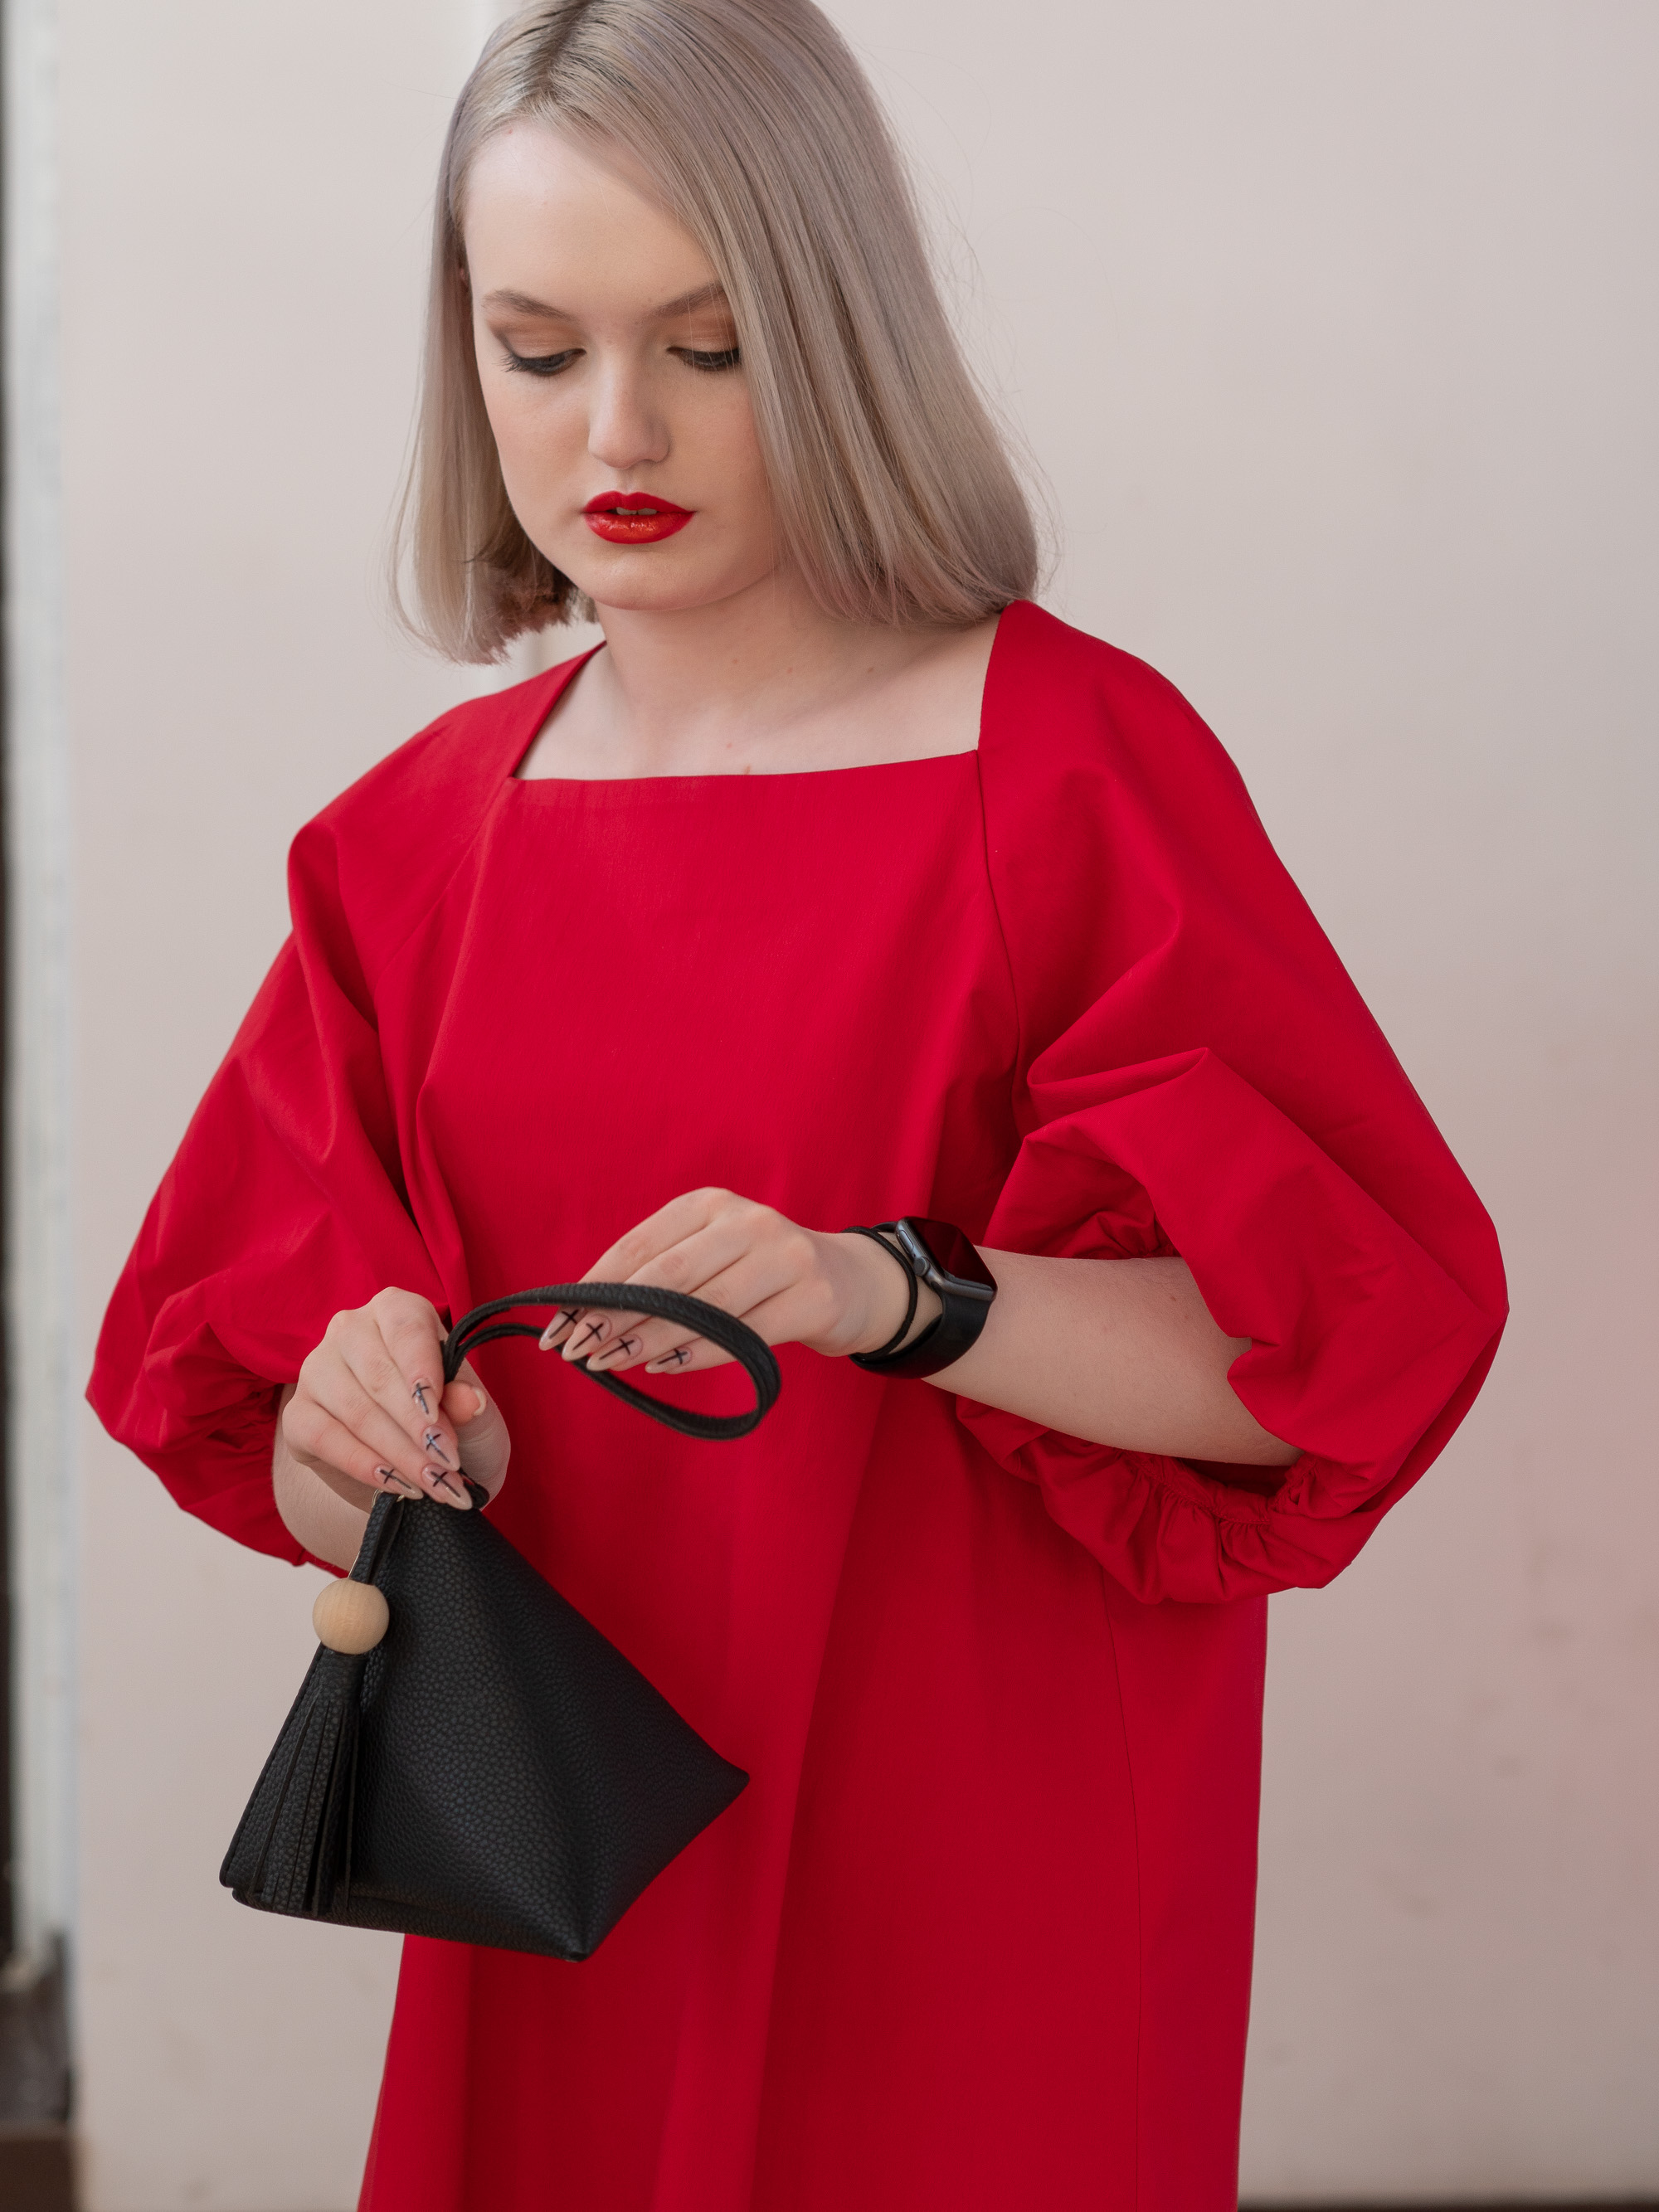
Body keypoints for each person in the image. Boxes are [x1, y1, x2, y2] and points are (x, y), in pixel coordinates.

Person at [87, 2, 1506, 2205]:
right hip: (573, 1871)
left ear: (837, 332)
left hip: (987, 1863)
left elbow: (1327, 1357)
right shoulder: (411, 851)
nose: (617, 429)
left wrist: (893, 1291)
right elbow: (298, 1462)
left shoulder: (1066, 775)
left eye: (712, 344)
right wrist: (359, 1437)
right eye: (537, 348)